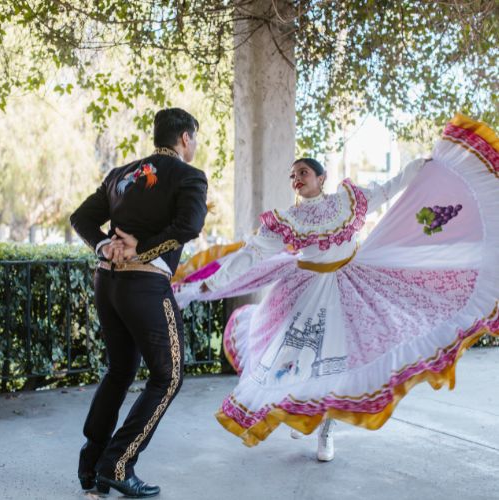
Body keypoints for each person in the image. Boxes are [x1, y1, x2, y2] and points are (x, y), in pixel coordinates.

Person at [174, 113, 498, 462]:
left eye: (303, 172)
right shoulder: (289, 220)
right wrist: (211, 282)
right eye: (293, 175)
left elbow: (388, 189)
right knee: (299, 362)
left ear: (320, 177)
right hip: (304, 292)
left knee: (340, 363)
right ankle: (307, 414)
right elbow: (252, 254)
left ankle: (326, 431)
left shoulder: (348, 201)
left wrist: (422, 166)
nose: (296, 179)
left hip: (351, 287)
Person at [70, 107, 208, 497]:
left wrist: (103, 245)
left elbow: (80, 217)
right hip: (145, 288)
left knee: (120, 370)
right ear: (185, 138)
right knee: (169, 376)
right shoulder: (189, 175)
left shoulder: (120, 175)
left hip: (107, 285)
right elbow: (190, 226)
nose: (194, 145)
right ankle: (117, 462)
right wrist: (141, 252)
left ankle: (91, 462)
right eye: (194, 139)